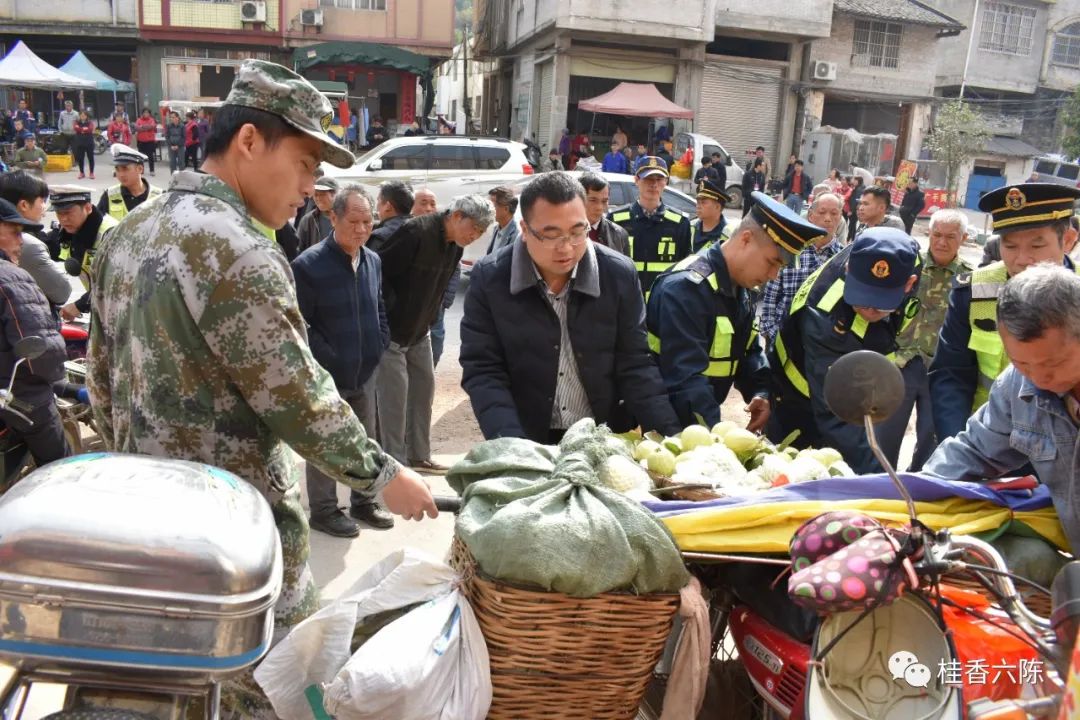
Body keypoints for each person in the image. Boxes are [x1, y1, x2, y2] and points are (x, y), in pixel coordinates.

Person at [86, 63, 437, 718]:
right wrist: (383, 474)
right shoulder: (241, 250)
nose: (310, 190)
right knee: (270, 692)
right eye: (304, 164)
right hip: (237, 548)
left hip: (145, 534)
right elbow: (299, 397)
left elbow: (102, 387)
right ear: (249, 141)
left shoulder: (127, 233)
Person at [460, 171, 680, 442]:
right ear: (525, 230)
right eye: (551, 236)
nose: (567, 248)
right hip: (526, 437)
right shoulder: (491, 278)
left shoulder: (617, 274)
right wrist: (510, 444)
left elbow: (635, 363)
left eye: (578, 232)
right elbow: (483, 370)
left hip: (603, 437)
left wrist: (670, 439)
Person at [922, 265, 1080, 555]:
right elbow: (974, 451)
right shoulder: (1017, 386)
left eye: (1052, 364)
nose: (1038, 378)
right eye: (1022, 363)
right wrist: (915, 500)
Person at [647, 191, 820, 428]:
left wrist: (760, 391)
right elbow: (686, 381)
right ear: (746, 239)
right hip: (668, 427)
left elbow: (748, 350)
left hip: (698, 423)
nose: (773, 276)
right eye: (772, 262)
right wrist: (718, 441)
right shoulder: (686, 289)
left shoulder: (741, 285)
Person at [929, 183, 1080, 441]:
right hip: (986, 436)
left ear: (1067, 240)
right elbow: (951, 375)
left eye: (1036, 246)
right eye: (1010, 246)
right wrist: (960, 441)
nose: (1022, 259)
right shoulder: (975, 289)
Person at [767, 228, 920, 471]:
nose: (871, 309)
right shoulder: (824, 316)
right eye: (863, 297)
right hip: (798, 397)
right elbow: (836, 413)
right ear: (849, 270)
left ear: (908, 283)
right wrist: (878, 477)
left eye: (882, 302)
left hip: (860, 372)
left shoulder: (905, 262)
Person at [292, 184, 393, 536]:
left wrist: (380, 342)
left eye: (368, 221)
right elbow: (299, 325)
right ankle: (323, 509)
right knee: (325, 442)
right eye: (355, 221)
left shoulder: (372, 260)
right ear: (332, 217)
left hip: (365, 371)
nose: (363, 229)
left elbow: (379, 307)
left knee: (366, 438)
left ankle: (365, 501)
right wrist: (329, 358)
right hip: (327, 375)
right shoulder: (308, 265)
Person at [375, 194, 492, 471]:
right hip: (392, 333)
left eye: (481, 232)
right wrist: (385, 318)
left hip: (420, 331)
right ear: (456, 216)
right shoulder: (416, 231)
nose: (475, 236)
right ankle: (394, 463)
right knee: (394, 400)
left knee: (423, 392)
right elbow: (379, 275)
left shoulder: (456, 247)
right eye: (473, 228)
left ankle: (419, 455)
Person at [875, 210, 973, 471]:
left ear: (963, 239)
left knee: (934, 440)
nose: (942, 242)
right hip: (900, 364)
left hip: (941, 370)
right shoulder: (908, 266)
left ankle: (921, 488)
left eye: (951, 237)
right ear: (928, 234)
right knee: (884, 437)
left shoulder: (970, 279)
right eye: (937, 235)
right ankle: (880, 486)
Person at [0, 198, 69, 472]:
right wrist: (56, 378)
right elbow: (43, 356)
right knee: (60, 470)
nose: (21, 241)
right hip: (18, 400)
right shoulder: (11, 278)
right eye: (15, 232)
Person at [758, 191, 844, 344]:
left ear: (840, 217)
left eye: (834, 213)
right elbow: (772, 294)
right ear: (811, 215)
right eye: (822, 212)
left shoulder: (843, 259)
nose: (828, 219)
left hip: (820, 345)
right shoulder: (791, 250)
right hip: (781, 335)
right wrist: (768, 330)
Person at [607, 156, 693, 298]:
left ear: (666, 182)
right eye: (648, 179)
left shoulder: (679, 223)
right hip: (626, 300)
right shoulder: (616, 220)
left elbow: (684, 269)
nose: (654, 185)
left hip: (664, 302)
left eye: (659, 179)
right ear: (636, 180)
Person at [48, 186, 119, 321]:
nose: (63, 219)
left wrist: (79, 306)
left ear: (88, 208)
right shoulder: (68, 231)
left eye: (68, 212)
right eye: (59, 213)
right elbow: (46, 245)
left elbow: (117, 282)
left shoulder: (111, 234)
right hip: (102, 310)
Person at [0, 172, 71, 307]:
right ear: (24, 205)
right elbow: (62, 292)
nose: (44, 207)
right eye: (42, 201)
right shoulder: (29, 246)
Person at [96, 144, 163, 221]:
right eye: (117, 169)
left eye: (125, 168)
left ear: (140, 169)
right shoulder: (109, 195)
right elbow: (98, 225)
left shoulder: (159, 196)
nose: (121, 174)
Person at [580, 172, 630, 256]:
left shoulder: (619, 234)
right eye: (593, 200)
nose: (599, 207)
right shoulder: (563, 231)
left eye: (604, 201)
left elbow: (626, 267)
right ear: (579, 198)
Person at [367, 180, 414, 252]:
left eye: (378, 200)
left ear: (388, 206)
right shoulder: (422, 230)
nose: (377, 206)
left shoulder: (379, 237)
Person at [296, 176, 337, 252]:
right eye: (315, 195)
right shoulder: (308, 220)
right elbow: (298, 249)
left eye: (322, 194)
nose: (318, 198)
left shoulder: (346, 218)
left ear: (334, 194)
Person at [690, 178, 730, 252]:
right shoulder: (690, 227)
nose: (698, 206)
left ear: (717, 207)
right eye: (698, 202)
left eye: (703, 202)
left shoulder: (729, 234)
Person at [484, 186, 520, 255]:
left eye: (492, 206)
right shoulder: (496, 229)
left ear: (506, 209)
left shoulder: (516, 235)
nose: (488, 210)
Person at [71, 110, 96, 180]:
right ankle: (81, 173)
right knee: (80, 158)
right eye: (81, 115)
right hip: (80, 142)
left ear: (86, 116)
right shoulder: (76, 122)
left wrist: (81, 130)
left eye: (84, 115)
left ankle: (91, 173)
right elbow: (76, 128)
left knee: (91, 158)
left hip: (89, 142)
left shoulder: (90, 122)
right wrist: (84, 129)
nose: (82, 117)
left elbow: (90, 129)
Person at [134, 109, 158, 176]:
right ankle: (141, 170)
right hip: (140, 141)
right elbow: (136, 127)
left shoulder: (152, 120)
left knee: (150, 156)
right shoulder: (139, 120)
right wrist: (146, 127)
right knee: (140, 157)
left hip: (150, 141)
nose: (146, 114)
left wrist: (142, 127)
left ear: (149, 114)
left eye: (147, 113)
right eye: (144, 112)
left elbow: (152, 126)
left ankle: (152, 170)